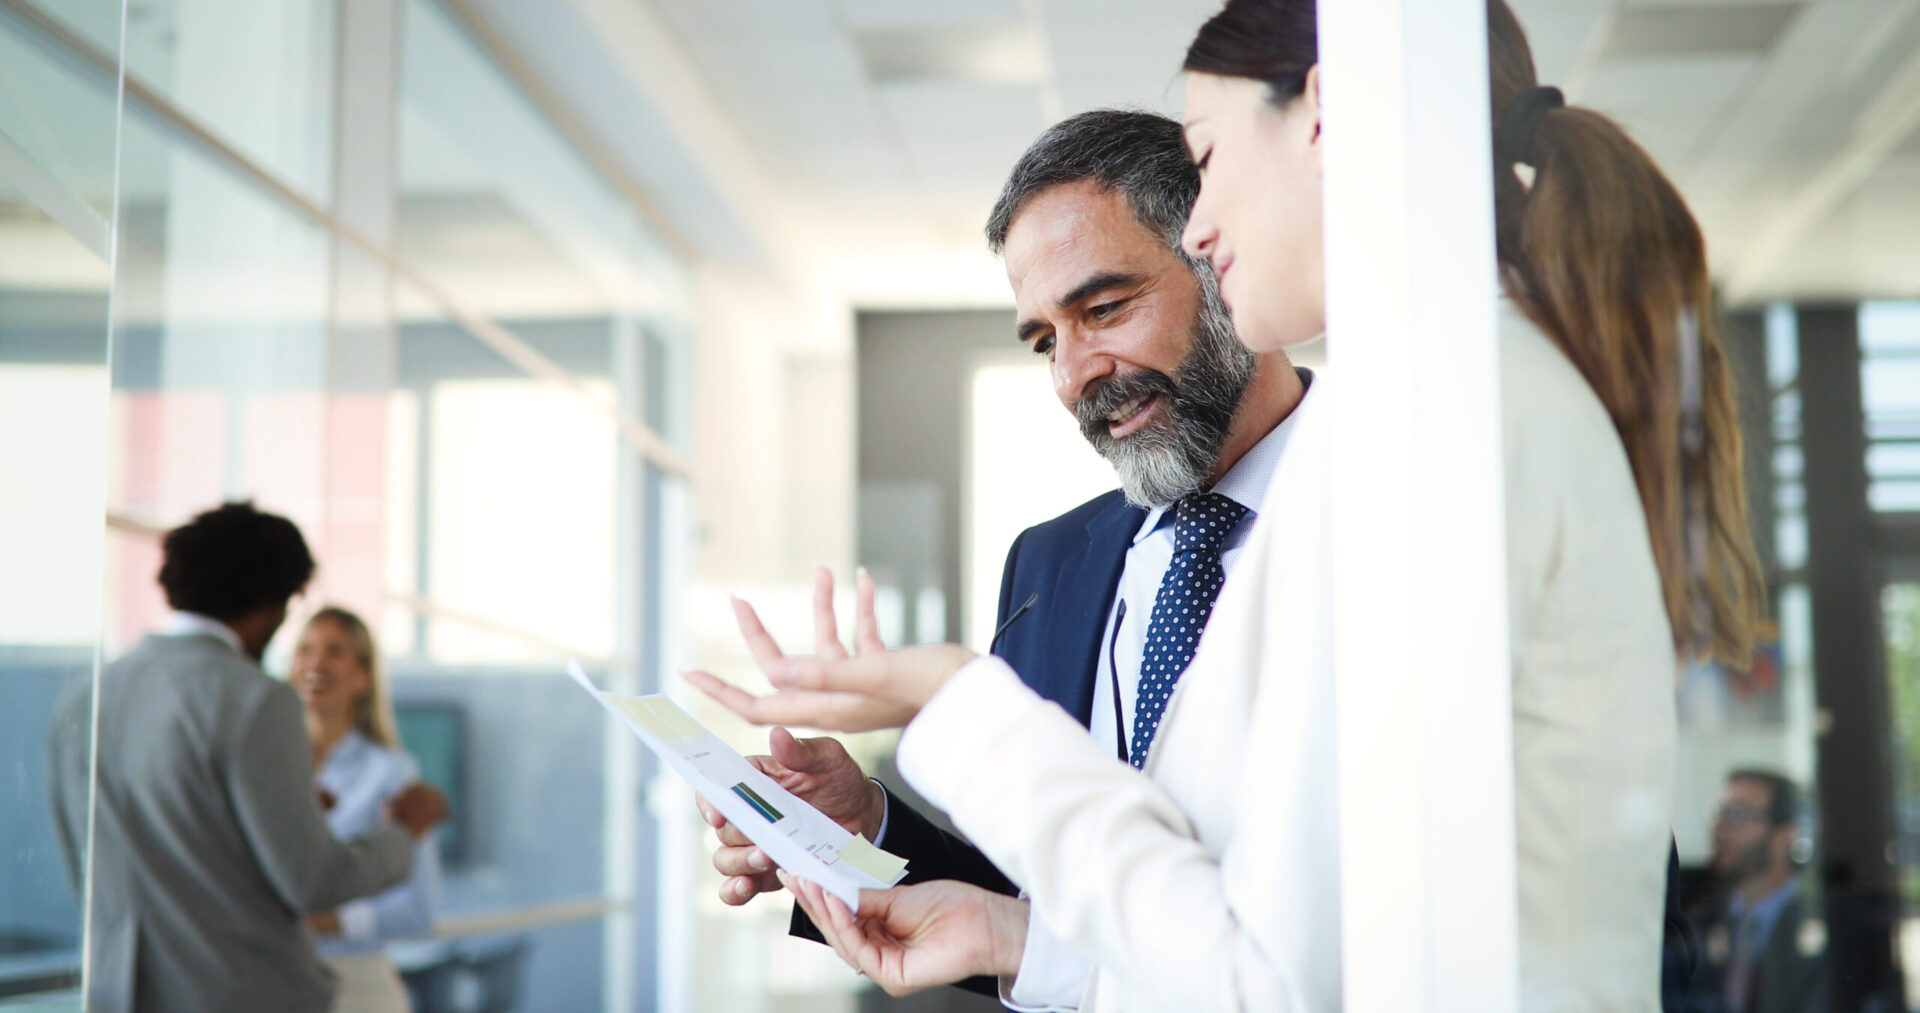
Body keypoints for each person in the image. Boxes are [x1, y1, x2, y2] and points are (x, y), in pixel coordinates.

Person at [692, 0, 1764, 1010]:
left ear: (1325, 121)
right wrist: (976, 906)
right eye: (1041, 340)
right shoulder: (1475, 388)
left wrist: (955, 698)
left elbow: (1263, 977)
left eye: (1206, 161)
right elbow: (1234, 930)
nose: (1205, 225)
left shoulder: (1419, 430)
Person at [690, 108, 1312, 1006]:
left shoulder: (1377, 522)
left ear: (1223, 262)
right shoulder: (1051, 562)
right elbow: (1036, 901)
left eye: (1103, 309)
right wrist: (861, 827)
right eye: (1044, 340)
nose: (1072, 376)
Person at [47, 502, 449, 1013]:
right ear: (271, 605)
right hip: (239, 996)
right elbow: (313, 881)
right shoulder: (256, 699)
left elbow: (112, 864)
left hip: (119, 995)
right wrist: (404, 829)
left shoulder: (86, 698)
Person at [293, 605, 443, 1013]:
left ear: (363, 677)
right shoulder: (266, 769)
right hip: (276, 983)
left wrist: (320, 920)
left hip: (357, 988)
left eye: (335, 651)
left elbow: (419, 911)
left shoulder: (392, 772)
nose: (316, 662)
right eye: (305, 649)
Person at [1684, 771, 1825, 1013]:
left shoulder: (1818, 929)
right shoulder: (1698, 925)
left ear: (1785, 835)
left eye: (1737, 814)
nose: (1719, 827)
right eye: (1720, 812)